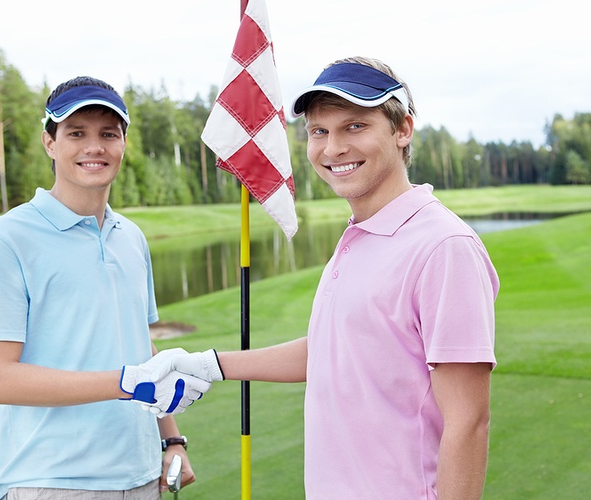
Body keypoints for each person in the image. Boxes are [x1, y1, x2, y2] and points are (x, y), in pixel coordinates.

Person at [146, 56, 501, 499]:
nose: (332, 149)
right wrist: (211, 364)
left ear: (402, 129)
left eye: (355, 126)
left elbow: (469, 422)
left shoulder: (444, 248)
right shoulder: (359, 236)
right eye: (319, 131)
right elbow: (335, 351)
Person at [0, 76, 209, 500]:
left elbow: (139, 349)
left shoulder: (130, 236)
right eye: (77, 133)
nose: (95, 147)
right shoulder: (2, 240)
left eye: (108, 134)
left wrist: (172, 440)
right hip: (52, 482)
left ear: (123, 144)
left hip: (142, 476)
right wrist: (125, 382)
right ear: (49, 142)